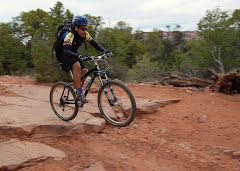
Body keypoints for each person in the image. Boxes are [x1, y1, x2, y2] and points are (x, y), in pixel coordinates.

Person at [59, 15, 111, 104]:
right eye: (83, 29)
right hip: (64, 54)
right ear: (76, 27)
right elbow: (66, 51)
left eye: (86, 28)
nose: (85, 31)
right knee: (77, 66)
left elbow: (95, 44)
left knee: (85, 70)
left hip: (73, 54)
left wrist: (104, 50)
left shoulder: (85, 34)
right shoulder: (70, 35)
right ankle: (79, 93)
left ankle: (78, 90)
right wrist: (79, 57)